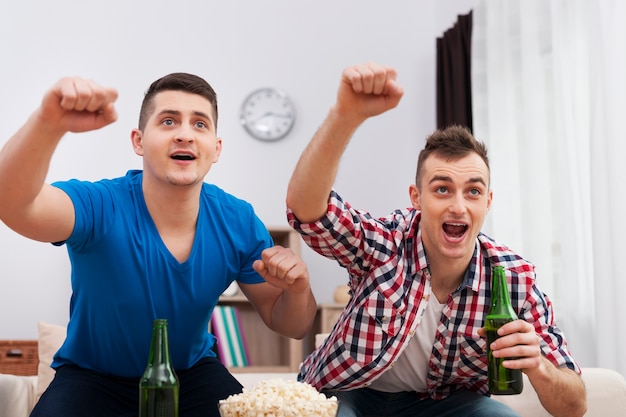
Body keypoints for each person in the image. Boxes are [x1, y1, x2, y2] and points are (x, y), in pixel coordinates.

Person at [0, 73, 317, 417]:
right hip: (91, 378)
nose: (184, 133)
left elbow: (291, 325)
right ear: (138, 140)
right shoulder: (99, 205)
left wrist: (297, 289)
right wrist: (47, 123)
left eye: (200, 124)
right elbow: (13, 203)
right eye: (168, 121)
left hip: (193, 376)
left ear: (216, 148)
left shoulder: (238, 221)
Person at [285, 62, 586, 417]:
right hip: (352, 393)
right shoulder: (385, 244)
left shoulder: (513, 278)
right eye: (442, 189)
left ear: (487, 202)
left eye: (473, 191)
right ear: (417, 197)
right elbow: (308, 211)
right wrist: (345, 115)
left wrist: (539, 365)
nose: (458, 206)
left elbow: (575, 406)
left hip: (443, 405)